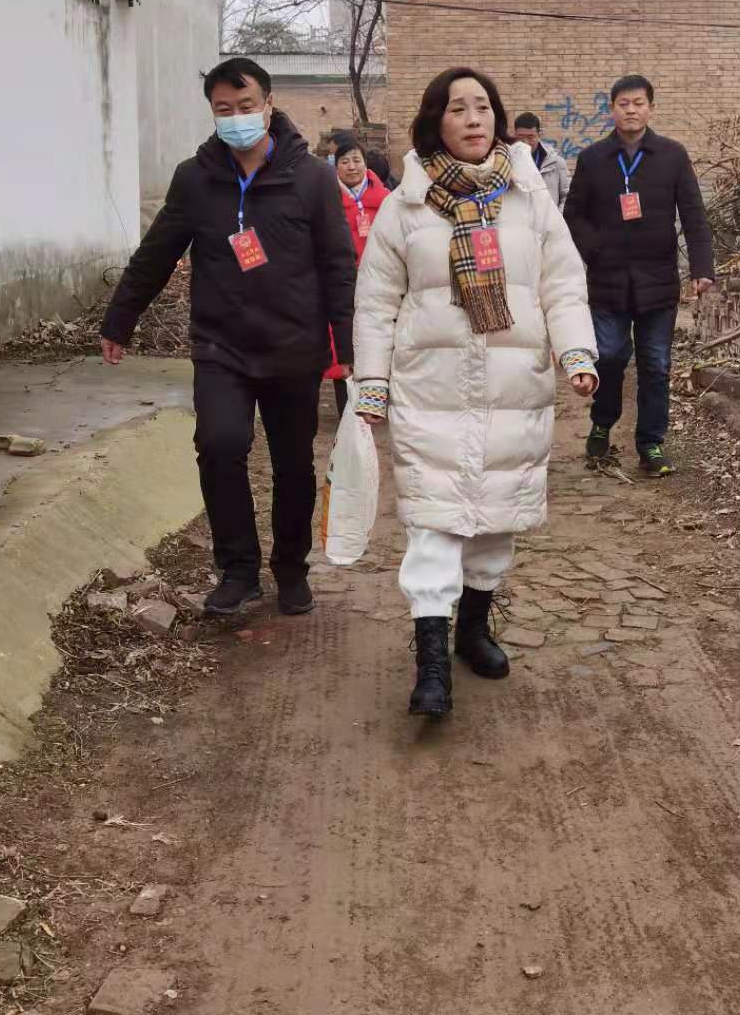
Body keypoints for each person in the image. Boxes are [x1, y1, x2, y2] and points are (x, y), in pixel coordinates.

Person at [353, 67, 598, 717]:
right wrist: (372, 382)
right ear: (435, 121)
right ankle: (432, 664)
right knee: (434, 525)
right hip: (428, 390)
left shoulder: (528, 196)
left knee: (495, 522)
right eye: (458, 108)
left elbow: (562, 282)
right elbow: (375, 303)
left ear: (497, 118)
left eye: (483, 107)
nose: (473, 119)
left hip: (513, 389)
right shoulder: (405, 206)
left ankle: (473, 630)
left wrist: (576, 350)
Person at [100, 56, 357, 618]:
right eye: (224, 109)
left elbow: (338, 264)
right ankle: (238, 570)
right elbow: (157, 253)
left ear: (268, 105)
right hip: (222, 346)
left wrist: (347, 346)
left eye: (246, 106)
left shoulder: (312, 178)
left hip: (293, 346)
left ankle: (291, 568)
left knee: (294, 464)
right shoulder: (196, 179)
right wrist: (121, 318)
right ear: (212, 113)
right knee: (218, 447)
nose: (236, 117)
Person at [563, 75, 714, 476]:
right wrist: (595, 250)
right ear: (612, 109)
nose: (631, 110)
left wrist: (702, 267)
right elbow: (573, 215)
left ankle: (651, 444)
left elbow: (694, 214)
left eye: (639, 103)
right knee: (610, 356)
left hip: (658, 282)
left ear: (651, 108)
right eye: (623, 103)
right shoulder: (593, 158)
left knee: (656, 364)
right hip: (607, 282)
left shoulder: (672, 155)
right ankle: (602, 423)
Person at [323, 139, 391, 417]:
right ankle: (348, 410)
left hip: (380, 281)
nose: (352, 167)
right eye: (345, 161)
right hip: (343, 283)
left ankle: (379, 405)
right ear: (336, 167)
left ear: (365, 163)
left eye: (356, 160)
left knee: (379, 341)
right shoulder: (328, 200)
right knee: (344, 344)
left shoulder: (385, 199)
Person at [513, 111, 571, 209]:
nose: (525, 142)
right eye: (521, 137)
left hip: (549, 217)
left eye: (530, 137)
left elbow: (567, 195)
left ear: (539, 135)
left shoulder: (556, 162)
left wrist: (558, 216)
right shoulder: (507, 161)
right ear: (515, 135)